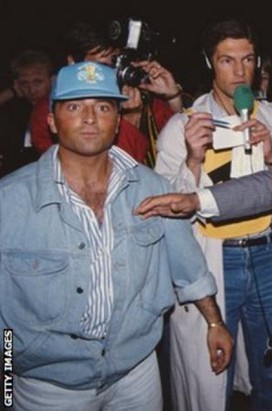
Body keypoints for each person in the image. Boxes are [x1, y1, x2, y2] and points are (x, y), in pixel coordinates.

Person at [0, 61, 233, 410]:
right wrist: (6, 377)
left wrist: (214, 322)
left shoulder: (151, 187)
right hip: (46, 386)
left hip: (136, 372)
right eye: (74, 107)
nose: (90, 118)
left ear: (118, 120)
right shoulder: (9, 201)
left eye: (103, 107)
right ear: (51, 121)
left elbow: (188, 265)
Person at [154, 19, 272, 411]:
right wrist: (193, 159)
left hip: (269, 253)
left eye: (248, 59)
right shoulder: (182, 125)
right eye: (227, 60)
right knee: (213, 370)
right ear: (209, 64)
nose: (240, 71)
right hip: (216, 259)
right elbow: (166, 205)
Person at [29, 20, 184, 165]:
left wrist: (173, 97)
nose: (112, 72)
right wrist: (129, 121)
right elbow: (106, 173)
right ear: (73, 62)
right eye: (102, 66)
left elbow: (179, 145)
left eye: (116, 64)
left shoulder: (138, 98)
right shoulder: (50, 112)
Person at [0, 49, 53, 176]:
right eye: (24, 84)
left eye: (38, 82)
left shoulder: (59, 108)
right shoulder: (14, 110)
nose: (31, 90)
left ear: (51, 79)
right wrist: (11, 92)